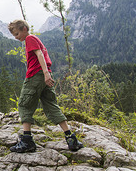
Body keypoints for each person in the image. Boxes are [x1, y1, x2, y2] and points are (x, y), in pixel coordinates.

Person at [8, 19, 83, 153]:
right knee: (51, 105)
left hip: (36, 76)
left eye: (17, 34)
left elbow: (39, 55)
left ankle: (27, 141)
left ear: (24, 29)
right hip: (44, 77)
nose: (16, 37)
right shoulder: (35, 39)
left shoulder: (30, 38)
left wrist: (45, 73)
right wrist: (47, 74)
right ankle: (71, 139)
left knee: (24, 104)